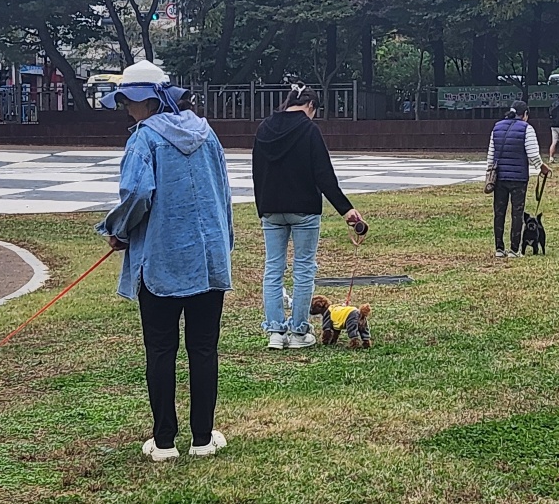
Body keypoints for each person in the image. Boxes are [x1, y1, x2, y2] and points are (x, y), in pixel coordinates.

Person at [97, 61, 232, 462]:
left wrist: (117, 231)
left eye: (127, 100)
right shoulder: (208, 134)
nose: (125, 108)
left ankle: (164, 442)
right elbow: (223, 194)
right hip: (209, 261)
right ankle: (203, 439)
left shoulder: (144, 140)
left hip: (160, 262)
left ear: (146, 102)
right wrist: (225, 245)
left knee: (160, 350)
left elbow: (137, 194)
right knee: (204, 349)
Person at [252, 84, 364, 351]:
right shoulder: (309, 130)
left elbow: (257, 171)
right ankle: (300, 331)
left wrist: (262, 207)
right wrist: (346, 209)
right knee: (303, 269)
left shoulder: (264, 128)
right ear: (311, 106)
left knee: (273, 269)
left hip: (270, 208)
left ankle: (276, 332)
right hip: (304, 209)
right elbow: (323, 175)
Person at [488, 101, 551, 257]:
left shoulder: (497, 127)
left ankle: (499, 248)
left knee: (499, 212)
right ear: (525, 115)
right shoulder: (526, 129)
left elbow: (491, 154)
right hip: (518, 178)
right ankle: (514, 250)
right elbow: (532, 154)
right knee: (517, 213)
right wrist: (542, 167)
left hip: (500, 177)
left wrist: (490, 174)